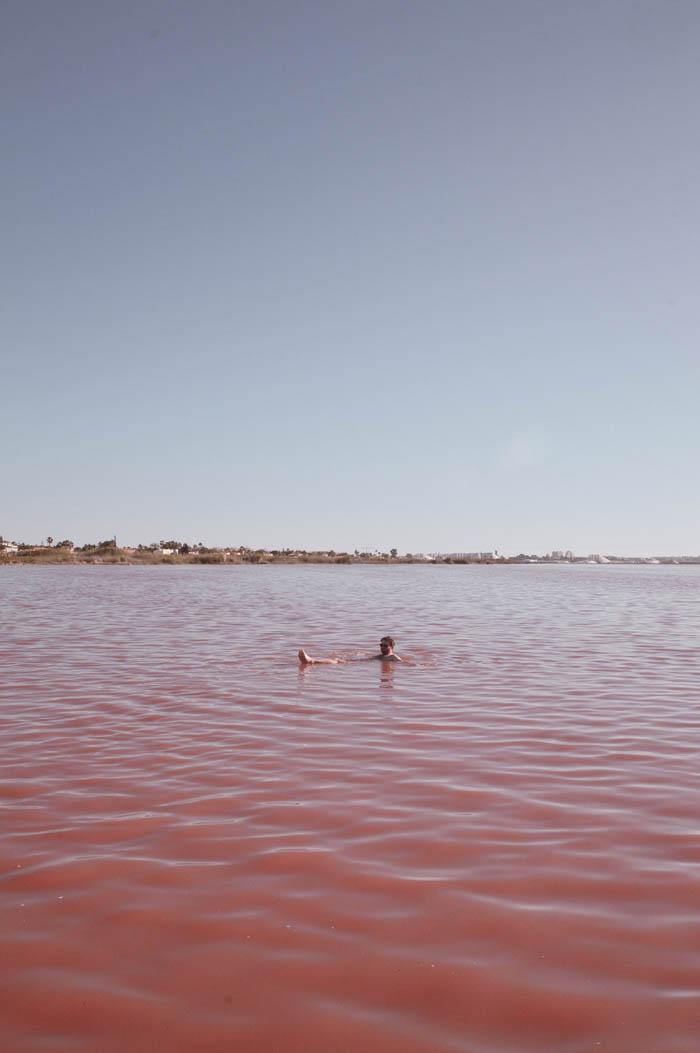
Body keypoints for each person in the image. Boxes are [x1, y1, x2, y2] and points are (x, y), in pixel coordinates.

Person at [298, 635, 402, 665]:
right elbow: (368, 660)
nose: (382, 648)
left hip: (363, 669)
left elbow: (405, 664)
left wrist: (418, 666)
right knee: (337, 660)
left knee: (337, 661)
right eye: (381, 645)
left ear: (392, 647)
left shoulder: (393, 657)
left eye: (385, 646)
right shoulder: (380, 657)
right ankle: (311, 661)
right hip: (363, 664)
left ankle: (311, 661)